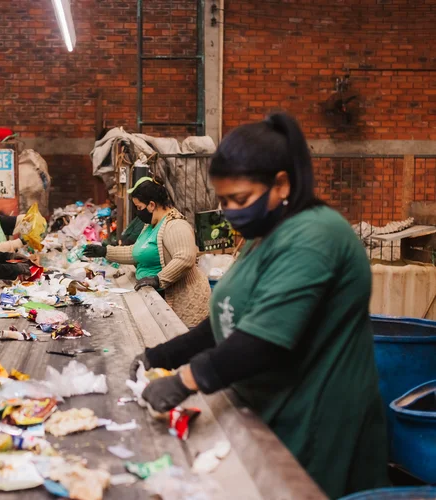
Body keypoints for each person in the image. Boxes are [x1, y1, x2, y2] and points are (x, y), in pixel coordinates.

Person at [133, 113, 388, 498]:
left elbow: (261, 340)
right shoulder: (263, 236)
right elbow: (226, 319)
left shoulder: (315, 235)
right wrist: (160, 355)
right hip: (270, 406)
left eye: (240, 199)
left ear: (281, 183)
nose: (232, 211)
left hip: (316, 420)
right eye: (224, 201)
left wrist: (186, 380)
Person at [84, 177, 211, 327]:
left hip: (183, 303)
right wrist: (105, 251)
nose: (138, 213)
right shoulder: (150, 225)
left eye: (139, 207)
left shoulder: (176, 225)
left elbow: (185, 258)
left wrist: (159, 279)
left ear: (151, 205)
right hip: (154, 296)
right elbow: (136, 252)